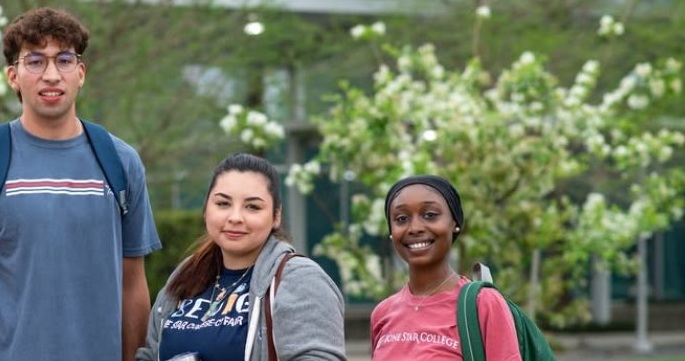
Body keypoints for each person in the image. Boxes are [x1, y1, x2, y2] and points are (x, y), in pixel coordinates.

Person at [0, 7, 162, 361]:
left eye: (64, 60)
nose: (52, 75)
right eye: (36, 61)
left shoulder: (120, 162)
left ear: (81, 73)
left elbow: (132, 286)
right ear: (13, 76)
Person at [137, 153, 346, 361]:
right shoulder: (186, 274)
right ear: (206, 209)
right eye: (223, 203)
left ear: (276, 216)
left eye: (252, 207)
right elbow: (149, 353)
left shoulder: (299, 279)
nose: (235, 217)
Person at [370, 175, 520, 360]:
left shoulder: (483, 303)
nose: (415, 228)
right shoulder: (382, 313)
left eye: (430, 215)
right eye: (401, 218)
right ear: (391, 231)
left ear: (454, 223)